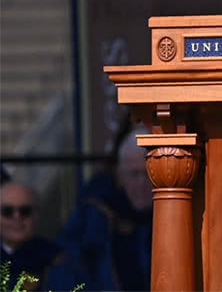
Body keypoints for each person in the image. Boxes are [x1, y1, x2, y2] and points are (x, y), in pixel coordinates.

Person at [46, 123, 152, 291]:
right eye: (134, 174)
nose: (142, 183)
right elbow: (67, 269)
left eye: (149, 174)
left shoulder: (177, 213)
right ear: (120, 174)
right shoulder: (95, 214)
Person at [0, 181, 60, 290]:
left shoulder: (55, 257)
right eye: (7, 211)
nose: (17, 217)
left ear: (36, 215)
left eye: (25, 211)